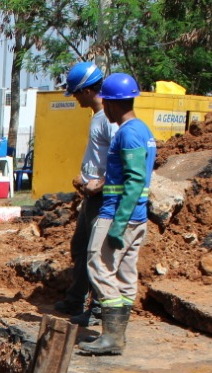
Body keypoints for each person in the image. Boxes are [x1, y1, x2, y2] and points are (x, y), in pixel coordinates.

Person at [78, 73, 155, 356]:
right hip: (137, 215)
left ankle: (111, 336)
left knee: (98, 265)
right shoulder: (143, 130)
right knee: (124, 274)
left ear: (110, 103)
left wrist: (117, 223)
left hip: (118, 213)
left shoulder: (128, 133)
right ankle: (118, 337)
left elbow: (134, 180)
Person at [55, 62, 116, 328]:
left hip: (103, 197)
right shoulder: (97, 116)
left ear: (89, 90)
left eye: (77, 93)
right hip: (91, 196)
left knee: (98, 254)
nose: (76, 98)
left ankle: (98, 309)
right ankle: (75, 299)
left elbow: (119, 158)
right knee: (80, 247)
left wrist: (100, 183)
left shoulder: (109, 118)